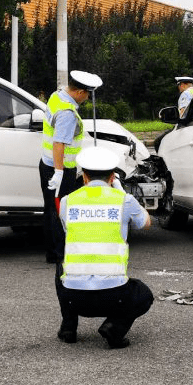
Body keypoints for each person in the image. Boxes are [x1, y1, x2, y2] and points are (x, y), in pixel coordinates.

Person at [55, 146, 154, 348]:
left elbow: (68, 230)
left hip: (74, 298)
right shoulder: (123, 200)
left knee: (62, 267)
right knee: (144, 294)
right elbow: (146, 222)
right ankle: (114, 327)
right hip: (113, 297)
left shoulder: (67, 201)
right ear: (112, 176)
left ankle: (68, 327)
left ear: (84, 177)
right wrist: (121, 192)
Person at [39, 71, 101, 264]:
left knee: (51, 209)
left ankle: (51, 252)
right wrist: (59, 172)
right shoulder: (67, 113)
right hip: (60, 169)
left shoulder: (57, 96)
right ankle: (60, 255)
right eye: (87, 94)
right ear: (80, 92)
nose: (88, 98)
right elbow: (59, 143)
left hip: (47, 163)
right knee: (60, 212)